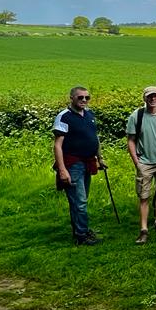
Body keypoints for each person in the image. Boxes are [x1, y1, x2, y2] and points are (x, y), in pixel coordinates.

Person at [52, 86, 105, 246]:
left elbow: (94, 137)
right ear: (71, 98)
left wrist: (99, 158)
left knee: (80, 200)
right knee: (79, 201)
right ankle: (81, 235)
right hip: (72, 164)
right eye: (80, 97)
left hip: (88, 161)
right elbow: (57, 145)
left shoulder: (89, 114)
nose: (84, 100)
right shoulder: (64, 117)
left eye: (87, 98)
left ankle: (81, 229)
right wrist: (62, 170)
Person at [125, 86, 156, 244]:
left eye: (155, 96)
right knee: (144, 196)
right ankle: (143, 229)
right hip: (145, 163)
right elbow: (131, 141)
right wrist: (136, 162)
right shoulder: (137, 116)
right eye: (149, 96)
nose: (153, 99)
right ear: (144, 98)